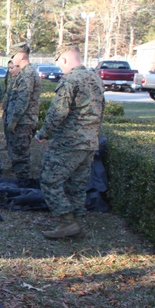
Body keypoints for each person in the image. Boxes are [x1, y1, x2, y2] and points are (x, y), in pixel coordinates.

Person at [35, 45, 104, 239]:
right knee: (77, 184)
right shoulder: (95, 79)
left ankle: (67, 221)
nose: (60, 68)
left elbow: (58, 112)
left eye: (59, 64)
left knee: (50, 180)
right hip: (90, 141)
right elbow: (101, 110)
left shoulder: (70, 80)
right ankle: (77, 221)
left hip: (70, 142)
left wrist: (43, 133)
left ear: (64, 60)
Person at [3, 45, 41, 186]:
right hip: (21, 121)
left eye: (14, 56)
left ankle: (23, 184)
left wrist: (13, 121)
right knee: (17, 152)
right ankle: (21, 180)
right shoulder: (24, 74)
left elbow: (22, 100)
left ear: (22, 56)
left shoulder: (28, 74)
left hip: (23, 122)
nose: (12, 59)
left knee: (21, 154)